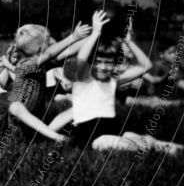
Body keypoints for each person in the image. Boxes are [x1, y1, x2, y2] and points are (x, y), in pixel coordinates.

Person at [50, 10, 183, 155]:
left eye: (109, 63)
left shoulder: (112, 80)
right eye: (98, 62)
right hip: (92, 139)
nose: (103, 66)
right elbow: (64, 117)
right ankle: (154, 148)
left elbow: (146, 66)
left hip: (111, 130)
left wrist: (128, 41)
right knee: (105, 141)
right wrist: (95, 33)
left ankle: (163, 146)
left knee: (129, 136)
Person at [7, 22, 91, 142]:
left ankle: (45, 136)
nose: (51, 42)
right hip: (17, 129)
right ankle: (55, 136)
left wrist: (94, 35)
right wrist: (73, 37)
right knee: (15, 107)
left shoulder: (43, 65)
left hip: (38, 123)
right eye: (48, 41)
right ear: (39, 48)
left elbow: (70, 50)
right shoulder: (24, 65)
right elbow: (50, 53)